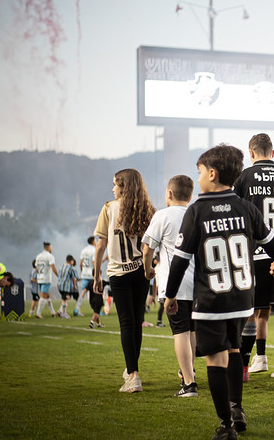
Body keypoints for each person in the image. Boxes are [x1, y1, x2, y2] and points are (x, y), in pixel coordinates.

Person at [164, 144, 274, 440]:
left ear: (212, 173)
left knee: (215, 359)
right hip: (242, 298)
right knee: (234, 351)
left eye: (199, 173)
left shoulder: (197, 210)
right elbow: (272, 245)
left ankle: (225, 425)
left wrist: (170, 296)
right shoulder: (246, 207)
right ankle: (237, 409)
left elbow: (180, 261)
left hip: (210, 300)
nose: (198, 180)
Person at [233, 133, 274, 388]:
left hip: (254, 253)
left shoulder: (244, 177)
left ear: (251, 153)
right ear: (272, 153)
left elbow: (237, 215)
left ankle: (243, 368)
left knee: (251, 312)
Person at [93, 168, 156, 393]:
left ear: (124, 186)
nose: (112, 188)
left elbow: (100, 245)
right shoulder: (149, 209)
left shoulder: (109, 208)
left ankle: (133, 374)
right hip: (141, 271)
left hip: (118, 273)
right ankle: (132, 369)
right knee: (136, 321)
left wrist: (96, 274)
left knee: (126, 323)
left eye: (115, 184)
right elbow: (151, 245)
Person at [141, 174, 199, 397]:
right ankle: (189, 371)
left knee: (180, 332)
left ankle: (189, 383)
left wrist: (148, 269)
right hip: (198, 284)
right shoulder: (197, 214)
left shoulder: (162, 216)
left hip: (174, 284)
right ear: (191, 195)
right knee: (192, 331)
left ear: (169, 193)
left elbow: (148, 249)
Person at [73, 236, 96, 317]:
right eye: (95, 240)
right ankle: (96, 310)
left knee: (83, 292)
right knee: (95, 292)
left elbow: (80, 263)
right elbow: (94, 263)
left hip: (85, 274)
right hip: (91, 274)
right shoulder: (94, 250)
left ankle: (77, 308)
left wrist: (83, 272)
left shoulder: (83, 250)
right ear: (93, 241)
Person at [34, 242, 58, 318]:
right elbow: (53, 267)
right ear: (48, 247)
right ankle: (38, 313)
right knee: (43, 296)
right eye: (51, 247)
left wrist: (39, 274)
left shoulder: (38, 256)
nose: (51, 248)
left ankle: (53, 312)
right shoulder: (50, 256)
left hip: (40, 278)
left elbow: (36, 268)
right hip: (46, 279)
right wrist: (59, 276)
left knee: (47, 295)